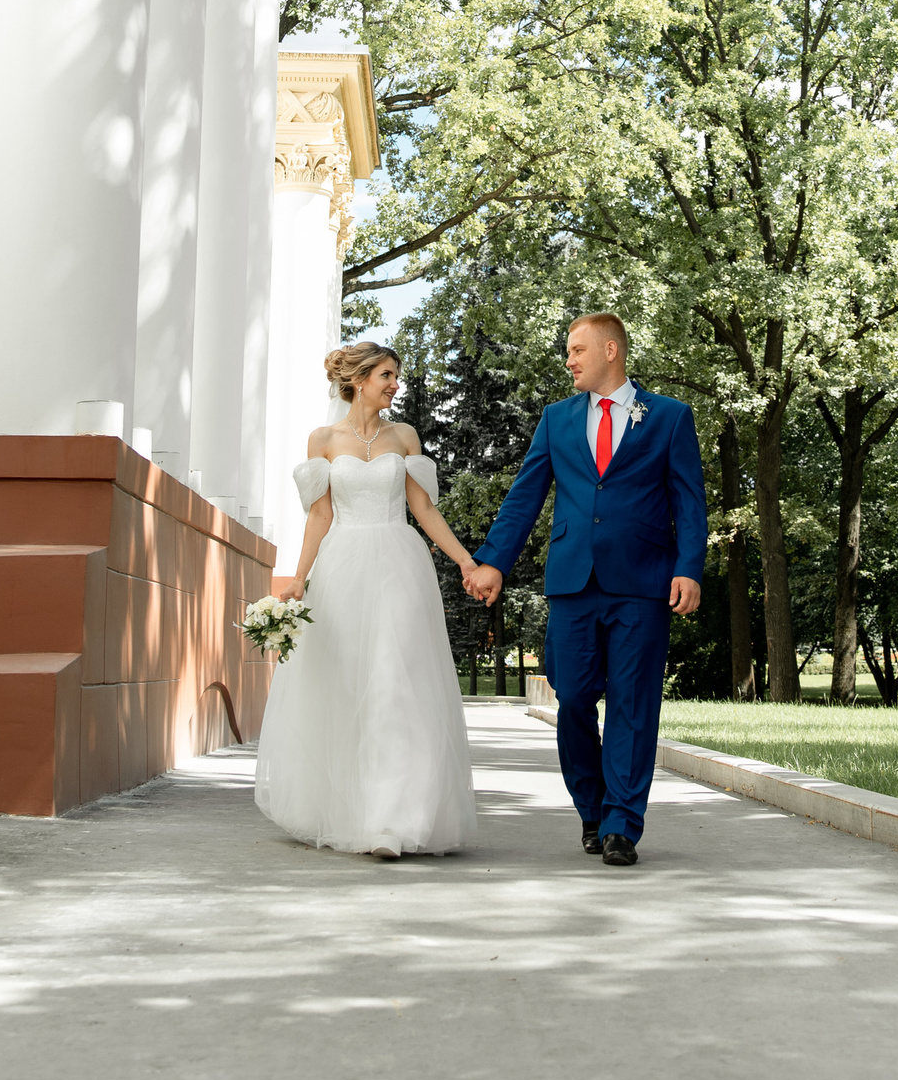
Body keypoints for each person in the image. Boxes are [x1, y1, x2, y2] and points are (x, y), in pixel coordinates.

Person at [465, 312, 707, 867]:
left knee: (632, 704)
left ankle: (622, 822)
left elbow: (689, 502)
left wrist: (689, 568)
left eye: (577, 350)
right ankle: (591, 806)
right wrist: (494, 563)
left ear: (611, 350)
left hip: (644, 583)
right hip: (573, 582)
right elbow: (525, 497)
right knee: (573, 698)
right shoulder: (556, 420)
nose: (569, 360)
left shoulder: (669, 417)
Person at [254, 342, 479, 857]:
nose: (395, 384)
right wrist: (298, 579)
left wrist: (466, 561)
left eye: (395, 375)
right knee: (348, 684)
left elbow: (423, 510)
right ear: (359, 380)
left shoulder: (404, 437)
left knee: (394, 683)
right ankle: (350, 809)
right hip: (341, 569)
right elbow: (319, 516)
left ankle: (392, 819)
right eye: (386, 375)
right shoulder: (324, 439)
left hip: (400, 564)